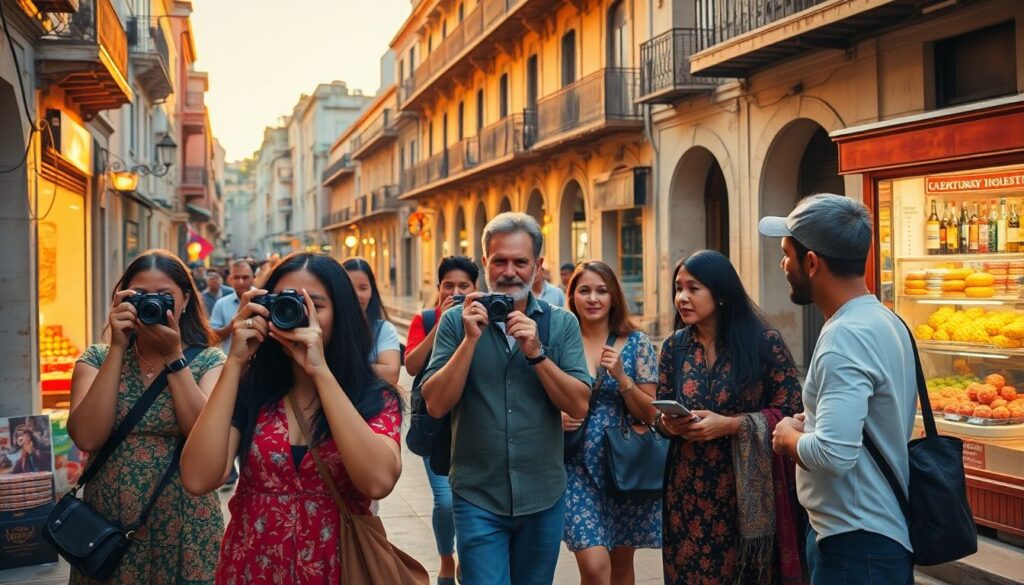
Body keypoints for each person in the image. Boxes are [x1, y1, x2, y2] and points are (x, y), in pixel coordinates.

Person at [179, 252, 404, 583]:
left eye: (314, 305)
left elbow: (378, 481)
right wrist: (235, 363)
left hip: (339, 568)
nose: (297, 314)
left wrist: (320, 372)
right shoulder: (251, 388)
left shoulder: (373, 396)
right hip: (253, 565)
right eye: (283, 303)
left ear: (342, 315)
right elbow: (199, 478)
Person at [420, 212, 592, 585]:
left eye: (520, 261)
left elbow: (579, 404)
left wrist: (536, 352)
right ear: (485, 263)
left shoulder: (560, 323)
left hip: (543, 497)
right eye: (499, 260)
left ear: (537, 266)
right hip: (477, 496)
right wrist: (469, 341)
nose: (509, 271)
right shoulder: (455, 322)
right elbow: (435, 403)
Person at [762, 194, 916, 585]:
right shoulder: (883, 319)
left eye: (787, 254)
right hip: (872, 537)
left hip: (854, 544)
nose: (783, 264)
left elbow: (833, 454)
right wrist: (812, 421)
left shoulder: (845, 338)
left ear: (811, 263)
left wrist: (788, 437)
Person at [67, 250, 226, 585]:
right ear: (121, 297)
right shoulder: (97, 358)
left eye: (165, 296)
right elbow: (87, 438)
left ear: (186, 299)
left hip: (186, 519)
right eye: (139, 295)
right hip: (108, 521)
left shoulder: (209, 361)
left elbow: (206, 437)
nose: (152, 305)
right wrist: (117, 349)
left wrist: (174, 357)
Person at [653, 250, 803, 585]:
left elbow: (791, 411)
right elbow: (660, 413)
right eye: (678, 288)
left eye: (693, 288)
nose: (682, 297)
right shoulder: (674, 348)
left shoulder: (763, 343)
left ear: (720, 293)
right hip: (686, 491)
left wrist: (732, 425)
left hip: (743, 492)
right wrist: (668, 423)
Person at [561, 260, 661, 585]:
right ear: (572, 295)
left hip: (622, 466)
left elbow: (650, 413)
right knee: (594, 565)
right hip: (573, 465)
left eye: (601, 291)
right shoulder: (561, 340)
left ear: (613, 297)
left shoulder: (637, 343)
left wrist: (621, 377)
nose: (593, 298)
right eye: (584, 290)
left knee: (619, 566)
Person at [404, 256, 479, 585]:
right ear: (439, 288)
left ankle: (466, 554)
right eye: (449, 285)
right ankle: (446, 557)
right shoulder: (425, 318)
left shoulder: (487, 318)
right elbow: (411, 364)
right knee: (445, 500)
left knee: (470, 499)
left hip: (473, 424)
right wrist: (440, 325)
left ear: (476, 288)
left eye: (464, 285)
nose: (456, 290)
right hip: (435, 427)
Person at [343, 257, 402, 386]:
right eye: (349, 288)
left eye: (363, 288)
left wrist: (341, 367)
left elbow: (391, 374)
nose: (357, 295)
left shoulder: (384, 330)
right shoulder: (327, 326)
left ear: (372, 291)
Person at [210, 259, 256, 354]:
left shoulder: (264, 300)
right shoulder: (221, 304)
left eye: (245, 277)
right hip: (230, 363)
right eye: (236, 277)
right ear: (230, 280)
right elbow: (213, 337)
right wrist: (232, 325)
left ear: (254, 278)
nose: (241, 282)